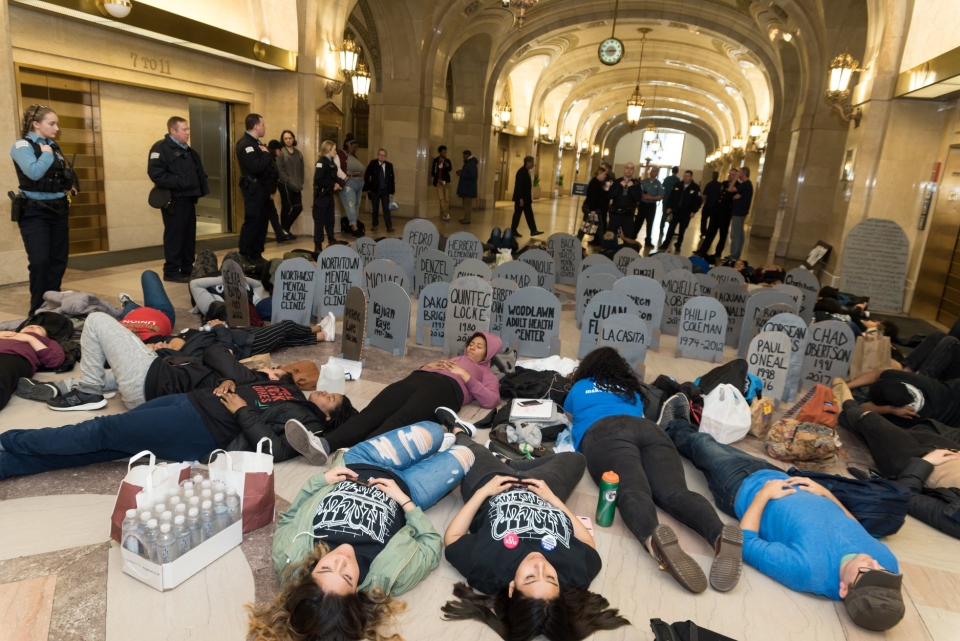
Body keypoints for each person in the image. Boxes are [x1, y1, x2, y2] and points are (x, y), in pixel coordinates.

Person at [665, 418, 905, 631]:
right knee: (717, 444)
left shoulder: (806, 571)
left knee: (700, 445)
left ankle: (668, 424)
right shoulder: (887, 562)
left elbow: (745, 544)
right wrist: (827, 495)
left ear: (844, 589)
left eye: (866, 572)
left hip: (740, 487)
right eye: (881, 570)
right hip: (779, 476)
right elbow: (854, 527)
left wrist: (764, 494)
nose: (872, 562)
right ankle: (684, 421)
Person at [250, 422, 474, 641]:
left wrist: (322, 480)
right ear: (356, 592)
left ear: (310, 573)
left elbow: (289, 515)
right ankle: (434, 452)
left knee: (433, 432)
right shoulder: (389, 578)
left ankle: (430, 448)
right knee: (466, 454)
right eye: (347, 577)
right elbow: (431, 544)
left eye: (326, 568)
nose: (341, 560)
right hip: (409, 488)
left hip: (359, 463)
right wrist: (405, 502)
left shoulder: (288, 555)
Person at [566, 348, 743, 593]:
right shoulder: (630, 390)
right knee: (676, 492)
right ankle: (719, 533)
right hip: (650, 431)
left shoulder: (580, 387)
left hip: (605, 433)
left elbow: (569, 415)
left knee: (633, 490)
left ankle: (654, 540)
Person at [440, 425, 629, 640]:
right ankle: (511, 464)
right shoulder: (574, 575)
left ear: (512, 588)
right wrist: (553, 499)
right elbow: (587, 540)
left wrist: (484, 491)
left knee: (467, 449)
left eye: (530, 577)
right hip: (543, 489)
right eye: (550, 578)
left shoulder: (487, 571)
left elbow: (452, 539)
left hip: (492, 482)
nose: (541, 565)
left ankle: (460, 432)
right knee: (575, 459)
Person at [285, 332, 501, 465]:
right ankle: (323, 444)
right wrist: (428, 367)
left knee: (400, 420)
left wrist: (464, 376)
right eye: (471, 343)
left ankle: (355, 457)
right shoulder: (456, 358)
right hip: (419, 378)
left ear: (488, 353)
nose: (472, 347)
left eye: (479, 346)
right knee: (373, 412)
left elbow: (491, 400)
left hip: (445, 389)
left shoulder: (487, 375)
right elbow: (428, 370)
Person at [36, 311, 318, 411]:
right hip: (158, 367)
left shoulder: (246, 378)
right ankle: (67, 387)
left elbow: (214, 354)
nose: (267, 367)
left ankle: (87, 392)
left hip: (150, 377)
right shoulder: (241, 379)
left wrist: (223, 342)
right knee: (111, 343)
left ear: (272, 377)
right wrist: (168, 350)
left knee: (96, 321)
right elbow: (198, 361)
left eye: (273, 369)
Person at [838, 399, 960, 539]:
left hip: (913, 462)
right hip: (949, 450)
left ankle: (847, 400)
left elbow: (907, 495)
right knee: (908, 429)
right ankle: (853, 417)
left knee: (870, 420)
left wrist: (925, 462)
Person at [11, 105, 76, 315]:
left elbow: (55, 176)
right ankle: (36, 312)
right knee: (40, 262)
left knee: (58, 261)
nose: (56, 127)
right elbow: (34, 172)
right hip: (34, 213)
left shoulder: (53, 146)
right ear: (36, 124)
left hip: (58, 210)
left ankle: (52, 309)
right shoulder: (22, 145)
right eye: (52, 123)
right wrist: (47, 154)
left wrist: (68, 185)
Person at [147, 116, 209, 283]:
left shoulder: (187, 150)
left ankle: (187, 268)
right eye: (184, 129)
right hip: (175, 200)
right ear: (173, 131)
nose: (188, 132)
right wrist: (180, 182)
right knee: (175, 236)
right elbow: (156, 173)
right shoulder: (160, 148)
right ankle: (172, 271)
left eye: (188, 129)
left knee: (188, 236)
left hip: (188, 199)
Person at [848, 368, 960, 428]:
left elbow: (861, 408)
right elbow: (877, 374)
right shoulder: (910, 379)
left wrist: (891, 410)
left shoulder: (903, 420)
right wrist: (846, 386)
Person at [235, 113, 278, 263]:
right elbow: (256, 166)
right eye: (263, 124)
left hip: (263, 189)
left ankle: (256, 253)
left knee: (262, 221)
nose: (265, 127)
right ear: (256, 126)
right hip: (253, 188)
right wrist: (266, 155)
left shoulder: (257, 143)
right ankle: (245, 254)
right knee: (253, 220)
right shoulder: (246, 144)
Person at [0, 325, 64, 411]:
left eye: (39, 327)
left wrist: (30, 339)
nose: (31, 327)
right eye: (29, 326)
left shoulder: (46, 341)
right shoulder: (8, 334)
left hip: (14, 356)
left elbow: (55, 360)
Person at [695, 167, 739, 260]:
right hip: (716, 211)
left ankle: (718, 252)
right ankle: (703, 250)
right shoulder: (723, 183)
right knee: (710, 231)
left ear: (736, 176)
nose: (730, 176)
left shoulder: (738, 186)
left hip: (726, 213)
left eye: (733, 175)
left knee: (722, 234)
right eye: (729, 174)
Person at [660, 170, 702, 252]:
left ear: (691, 177)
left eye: (687, 176)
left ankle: (678, 245)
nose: (685, 177)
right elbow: (671, 197)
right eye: (684, 176)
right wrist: (669, 207)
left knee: (682, 230)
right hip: (675, 211)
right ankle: (665, 244)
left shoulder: (695, 188)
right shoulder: (677, 185)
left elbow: (698, 201)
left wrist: (694, 211)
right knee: (670, 229)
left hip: (686, 213)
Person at [312, 140, 341, 252]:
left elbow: (333, 177)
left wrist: (337, 183)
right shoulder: (321, 162)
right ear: (328, 150)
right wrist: (332, 184)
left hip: (329, 196)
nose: (335, 151)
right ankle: (318, 245)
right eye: (334, 149)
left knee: (330, 220)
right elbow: (318, 180)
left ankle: (331, 240)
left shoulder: (332, 163)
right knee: (319, 222)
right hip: (321, 197)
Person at [277, 129, 305, 236]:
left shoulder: (298, 153)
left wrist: (301, 182)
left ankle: (284, 228)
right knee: (286, 207)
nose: (288, 140)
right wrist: (289, 181)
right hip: (285, 184)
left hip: (297, 185)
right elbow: (279, 170)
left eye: (290, 138)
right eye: (285, 139)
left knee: (298, 208)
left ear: (293, 139)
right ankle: (284, 232)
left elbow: (302, 169)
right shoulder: (281, 152)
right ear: (283, 140)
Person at [606, 162, 642, 242]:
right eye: (627, 168)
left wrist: (631, 187)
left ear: (633, 171)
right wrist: (620, 186)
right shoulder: (616, 182)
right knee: (610, 235)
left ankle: (627, 253)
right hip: (615, 213)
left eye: (631, 168)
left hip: (628, 214)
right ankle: (608, 252)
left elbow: (638, 198)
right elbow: (610, 195)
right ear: (624, 169)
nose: (629, 170)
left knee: (629, 235)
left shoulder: (636, 184)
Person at [266, 140, 294, 244]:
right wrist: (271, 191)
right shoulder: (269, 160)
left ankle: (279, 235)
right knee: (271, 214)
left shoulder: (271, 159)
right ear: (275, 149)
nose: (280, 152)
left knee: (273, 214)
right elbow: (270, 177)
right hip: (267, 193)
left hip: (268, 192)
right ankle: (279, 235)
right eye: (279, 149)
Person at [338, 135, 365, 236]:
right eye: (354, 147)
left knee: (357, 204)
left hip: (358, 181)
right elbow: (337, 168)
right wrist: (344, 178)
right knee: (351, 204)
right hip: (348, 182)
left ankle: (354, 223)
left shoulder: (352, 155)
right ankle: (354, 227)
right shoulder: (341, 154)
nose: (355, 149)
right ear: (348, 144)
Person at [363, 148, 395, 233]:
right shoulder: (372, 163)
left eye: (384, 155)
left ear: (386, 156)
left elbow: (392, 179)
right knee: (375, 208)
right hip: (374, 190)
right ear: (378, 155)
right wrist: (368, 188)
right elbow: (367, 175)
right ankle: (375, 225)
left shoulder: (389, 165)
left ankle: (389, 226)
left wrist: (392, 191)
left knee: (386, 209)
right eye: (380, 155)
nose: (382, 157)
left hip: (385, 191)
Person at [511, 156, 541, 237]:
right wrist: (520, 199)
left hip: (526, 199)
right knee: (517, 215)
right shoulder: (521, 172)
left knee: (529, 214)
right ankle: (513, 230)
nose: (533, 164)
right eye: (532, 162)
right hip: (521, 199)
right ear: (527, 162)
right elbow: (519, 186)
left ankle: (533, 230)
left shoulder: (526, 171)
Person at [727, 167, 753, 260]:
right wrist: (735, 198)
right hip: (741, 211)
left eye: (739, 173)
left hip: (738, 212)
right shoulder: (747, 185)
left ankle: (734, 255)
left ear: (743, 174)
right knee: (739, 234)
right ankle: (736, 254)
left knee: (735, 234)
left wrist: (735, 178)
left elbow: (730, 189)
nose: (738, 175)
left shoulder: (745, 184)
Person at [580, 166, 610, 245]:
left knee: (594, 226)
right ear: (599, 174)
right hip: (591, 208)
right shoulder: (594, 183)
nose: (605, 176)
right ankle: (604, 245)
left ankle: (604, 244)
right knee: (589, 226)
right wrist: (592, 210)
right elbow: (591, 197)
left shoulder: (598, 182)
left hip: (595, 208)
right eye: (604, 174)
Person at [636, 166, 664, 248]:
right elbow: (638, 191)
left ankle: (648, 241)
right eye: (652, 171)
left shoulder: (658, 184)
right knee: (638, 222)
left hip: (651, 206)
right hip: (642, 205)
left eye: (655, 171)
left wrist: (650, 197)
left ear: (657, 173)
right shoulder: (644, 182)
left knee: (650, 223)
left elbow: (661, 196)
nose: (652, 172)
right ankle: (633, 237)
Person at [658, 166, 681, 245]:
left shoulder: (667, 179)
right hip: (673, 201)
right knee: (672, 216)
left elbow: (662, 186)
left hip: (665, 199)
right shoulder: (677, 180)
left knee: (664, 214)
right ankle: (671, 231)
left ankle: (661, 229)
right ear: (677, 171)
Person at [456, 149, 478, 224]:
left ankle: (467, 219)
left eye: (464, 156)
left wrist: (461, 174)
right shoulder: (469, 163)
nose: (463, 157)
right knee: (467, 204)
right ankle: (466, 218)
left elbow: (471, 175)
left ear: (467, 155)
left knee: (467, 205)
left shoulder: (471, 163)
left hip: (468, 188)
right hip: (467, 187)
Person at [432, 145, 453, 221]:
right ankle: (445, 213)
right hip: (439, 182)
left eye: (446, 152)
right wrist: (438, 179)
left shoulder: (448, 161)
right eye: (443, 152)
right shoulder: (436, 160)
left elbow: (450, 168)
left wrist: (447, 166)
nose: (445, 153)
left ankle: (446, 214)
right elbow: (433, 172)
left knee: (447, 199)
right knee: (442, 198)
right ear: (440, 152)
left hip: (446, 182)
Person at [699, 170, 722, 237]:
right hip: (715, 206)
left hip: (708, 205)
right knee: (712, 221)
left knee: (704, 219)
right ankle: (710, 232)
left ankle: (703, 232)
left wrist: (701, 204)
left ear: (712, 176)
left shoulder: (709, 184)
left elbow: (704, 196)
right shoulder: (720, 185)